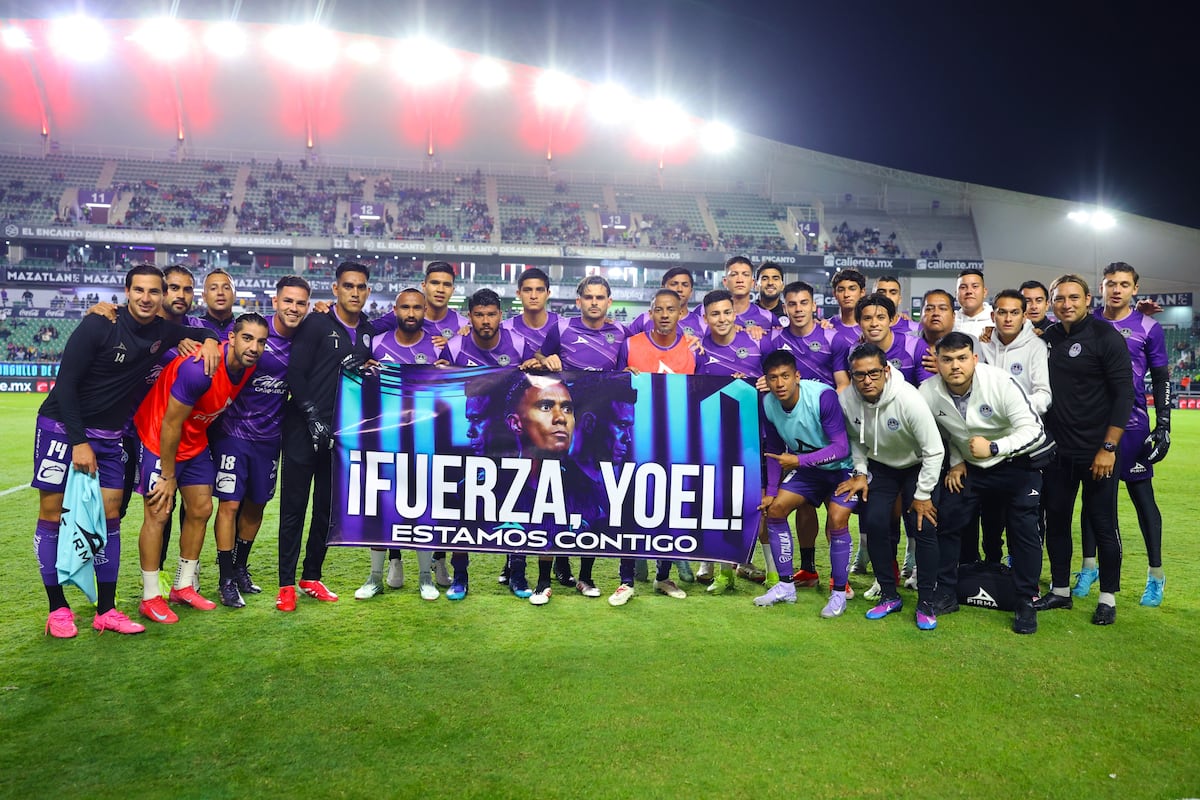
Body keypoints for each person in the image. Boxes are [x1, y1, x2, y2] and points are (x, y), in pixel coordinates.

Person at [33, 265, 218, 638]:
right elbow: (65, 385)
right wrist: (78, 441)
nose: (146, 298)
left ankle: (106, 610)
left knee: (110, 517)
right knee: (53, 514)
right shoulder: (99, 324)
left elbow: (205, 331)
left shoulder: (163, 331)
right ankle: (58, 609)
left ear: (161, 296)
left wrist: (211, 341)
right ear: (127, 291)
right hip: (61, 428)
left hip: (109, 436)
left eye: (153, 292)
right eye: (139, 291)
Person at [134, 314, 268, 624]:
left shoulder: (247, 366)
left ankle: (183, 586)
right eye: (247, 338)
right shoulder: (201, 369)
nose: (254, 347)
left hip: (194, 441)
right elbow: (170, 423)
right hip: (159, 438)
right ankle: (150, 597)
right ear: (231, 338)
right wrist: (168, 476)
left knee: (201, 509)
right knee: (158, 513)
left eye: (261, 342)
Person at [919, 332, 1049, 634]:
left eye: (962, 358)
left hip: (1016, 463)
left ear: (974, 359)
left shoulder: (1000, 382)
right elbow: (945, 432)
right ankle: (946, 592)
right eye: (947, 359)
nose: (955, 366)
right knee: (948, 519)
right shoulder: (928, 392)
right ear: (937, 362)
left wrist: (995, 447)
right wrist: (957, 461)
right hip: (971, 467)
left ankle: (1025, 600)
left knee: (1024, 528)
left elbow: (1035, 431)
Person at [276, 262, 378, 613]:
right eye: (348, 285)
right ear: (335, 289)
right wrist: (311, 417)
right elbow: (295, 373)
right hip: (303, 429)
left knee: (326, 510)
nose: (354, 292)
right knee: (294, 509)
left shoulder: (367, 331)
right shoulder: (316, 322)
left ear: (368, 291)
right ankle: (285, 585)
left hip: (340, 435)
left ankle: (311, 576)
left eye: (361, 287)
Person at [1034, 274, 1134, 626]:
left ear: (1088, 299)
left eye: (1073, 297)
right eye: (1060, 298)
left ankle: (1108, 598)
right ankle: (1060, 590)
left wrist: (1108, 447)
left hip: (1097, 452)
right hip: (1058, 453)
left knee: (1103, 523)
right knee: (1057, 520)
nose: (1067, 304)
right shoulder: (1048, 337)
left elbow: (1124, 395)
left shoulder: (1106, 337)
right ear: (1052, 302)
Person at [211, 277, 311, 609]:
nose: (293, 308)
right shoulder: (255, 332)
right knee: (229, 506)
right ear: (276, 301)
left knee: (256, 506)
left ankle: (240, 567)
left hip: (270, 440)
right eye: (288, 301)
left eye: (300, 303)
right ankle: (225, 578)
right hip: (234, 436)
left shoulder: (305, 338)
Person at [531, 275, 628, 595]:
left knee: (592, 506)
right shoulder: (561, 329)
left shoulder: (620, 334)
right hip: (561, 431)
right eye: (588, 297)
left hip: (595, 434)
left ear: (609, 301)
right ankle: (543, 581)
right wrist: (545, 359)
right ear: (578, 301)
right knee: (552, 503)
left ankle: (586, 576)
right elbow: (538, 358)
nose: (594, 302)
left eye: (600, 297)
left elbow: (623, 374)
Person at [837, 343, 943, 629]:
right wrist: (860, 472)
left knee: (923, 525)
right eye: (859, 375)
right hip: (881, 465)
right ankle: (889, 594)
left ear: (886, 371)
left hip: (917, 464)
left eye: (873, 373)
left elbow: (934, 450)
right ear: (852, 375)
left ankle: (926, 600)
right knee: (874, 523)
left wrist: (923, 494)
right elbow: (856, 440)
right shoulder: (847, 399)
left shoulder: (909, 399)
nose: (867, 380)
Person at [1081, 263, 1170, 607]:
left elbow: (1161, 378)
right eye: (1110, 284)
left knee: (1142, 500)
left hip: (1132, 427)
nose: (1116, 289)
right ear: (1100, 288)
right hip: (1092, 426)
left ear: (1135, 289)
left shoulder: (1148, 327)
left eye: (1123, 284)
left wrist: (1163, 424)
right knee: (1093, 501)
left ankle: (1156, 575)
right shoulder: (1087, 321)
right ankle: (1089, 568)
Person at [439, 288, 534, 601]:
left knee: (517, 507)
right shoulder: (456, 346)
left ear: (500, 316)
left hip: (508, 441)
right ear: (469, 317)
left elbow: (534, 380)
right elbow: (441, 384)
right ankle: (460, 577)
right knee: (463, 508)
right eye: (479, 315)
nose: (485, 321)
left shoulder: (517, 344)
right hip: (474, 441)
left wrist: (539, 365)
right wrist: (439, 371)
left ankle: (517, 573)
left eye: (491, 314)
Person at [354, 288, 442, 602]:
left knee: (423, 509)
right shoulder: (377, 344)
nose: (411, 313)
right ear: (395, 310)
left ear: (424, 311)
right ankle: (375, 576)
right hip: (384, 440)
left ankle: (425, 577)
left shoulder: (436, 347)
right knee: (380, 507)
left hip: (424, 440)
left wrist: (445, 371)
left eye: (417, 308)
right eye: (405, 307)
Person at [755, 349, 856, 619]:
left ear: (797, 376)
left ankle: (838, 592)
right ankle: (785, 586)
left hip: (841, 469)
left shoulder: (822, 396)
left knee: (837, 518)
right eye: (773, 378)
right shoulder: (768, 403)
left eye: (785, 376)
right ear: (766, 380)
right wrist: (771, 492)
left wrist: (799, 460)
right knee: (775, 510)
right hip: (809, 472)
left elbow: (841, 448)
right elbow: (774, 449)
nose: (780, 383)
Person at [617, 288, 696, 597]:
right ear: (649, 313)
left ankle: (663, 577)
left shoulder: (692, 349)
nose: (664, 315)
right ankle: (626, 579)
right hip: (634, 441)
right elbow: (612, 388)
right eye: (658, 309)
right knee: (629, 506)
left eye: (670, 309)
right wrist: (622, 376)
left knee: (667, 506)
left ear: (680, 313)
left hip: (674, 440)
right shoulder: (630, 345)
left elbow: (701, 392)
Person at [502, 267, 571, 586]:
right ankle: (511, 562)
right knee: (518, 487)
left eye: (539, 289)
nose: (533, 295)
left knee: (558, 490)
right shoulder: (507, 328)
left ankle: (561, 562)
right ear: (518, 294)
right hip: (522, 417)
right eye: (527, 289)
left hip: (550, 417)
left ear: (548, 293)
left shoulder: (561, 326)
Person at [974, 289, 1052, 565]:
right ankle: (992, 570)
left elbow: (1044, 394)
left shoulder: (1036, 346)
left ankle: (1023, 575)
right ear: (993, 315)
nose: (1008, 318)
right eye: (1002, 312)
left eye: (1014, 312)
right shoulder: (982, 345)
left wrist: (1013, 409)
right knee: (990, 517)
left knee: (1023, 518)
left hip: (1022, 445)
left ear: (1024, 316)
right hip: (988, 444)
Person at [694, 288, 764, 591]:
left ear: (734, 313)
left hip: (752, 435)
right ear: (705, 317)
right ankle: (708, 559)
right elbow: (692, 390)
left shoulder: (758, 342)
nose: (721, 319)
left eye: (726, 312)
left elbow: (774, 378)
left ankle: (744, 558)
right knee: (711, 496)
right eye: (715, 314)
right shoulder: (697, 349)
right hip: (712, 435)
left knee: (747, 500)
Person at [504, 374, 576, 606]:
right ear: (516, 423)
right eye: (546, 407)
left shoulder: (587, 491)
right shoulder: (490, 486)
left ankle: (547, 578)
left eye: (567, 408)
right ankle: (514, 571)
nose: (560, 418)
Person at [855, 293, 926, 385]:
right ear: (859, 322)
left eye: (881, 318)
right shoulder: (854, 350)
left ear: (891, 320)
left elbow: (927, 390)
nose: (874, 324)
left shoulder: (915, 346)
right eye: (867, 318)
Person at [628, 267, 707, 337]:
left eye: (685, 285)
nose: (679, 289)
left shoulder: (702, 324)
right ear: (663, 288)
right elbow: (626, 344)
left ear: (691, 292)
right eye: (674, 284)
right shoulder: (644, 320)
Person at [723, 256, 777, 329]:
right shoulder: (709, 315)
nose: (740, 280)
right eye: (734, 275)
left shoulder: (768, 318)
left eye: (745, 275)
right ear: (725, 282)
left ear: (752, 283)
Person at [421, 261, 468, 340]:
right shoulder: (407, 321)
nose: (441, 290)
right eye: (435, 283)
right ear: (424, 286)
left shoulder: (463, 326)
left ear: (452, 290)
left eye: (447, 285)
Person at [828, 268, 866, 349]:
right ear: (834, 294)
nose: (846, 295)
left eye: (852, 289)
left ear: (862, 292)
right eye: (841, 290)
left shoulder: (871, 326)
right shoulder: (827, 327)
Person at [953, 268, 992, 337]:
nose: (969, 291)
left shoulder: (996, 320)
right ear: (956, 294)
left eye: (975, 286)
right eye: (963, 287)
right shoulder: (950, 321)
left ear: (984, 292)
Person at [200, 268, 237, 338]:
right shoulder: (194, 327)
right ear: (204, 296)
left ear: (234, 295)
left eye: (226, 288)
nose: (220, 292)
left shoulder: (244, 329)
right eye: (213, 288)